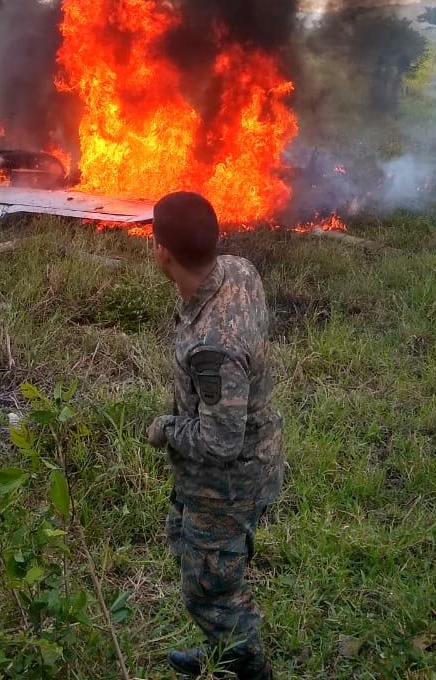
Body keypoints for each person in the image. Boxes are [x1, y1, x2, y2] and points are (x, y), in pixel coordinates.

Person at [145, 192, 284, 680]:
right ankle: (222, 651)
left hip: (228, 481)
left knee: (210, 592)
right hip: (235, 462)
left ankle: (246, 666)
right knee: (187, 546)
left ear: (162, 251)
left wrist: (165, 428)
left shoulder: (213, 345)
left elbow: (220, 440)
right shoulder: (239, 269)